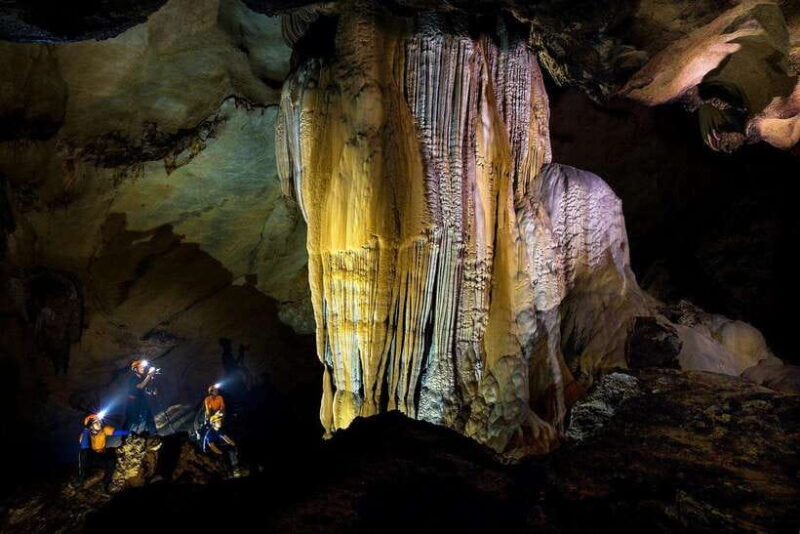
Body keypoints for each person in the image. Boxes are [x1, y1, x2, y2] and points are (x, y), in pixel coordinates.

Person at [78, 413, 129, 488]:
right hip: (90, 457)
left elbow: (116, 432)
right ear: (90, 425)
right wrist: (86, 428)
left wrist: (130, 432)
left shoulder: (104, 429)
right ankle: (83, 478)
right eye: (96, 422)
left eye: (99, 421)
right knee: (84, 453)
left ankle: (106, 483)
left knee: (111, 460)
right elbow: (84, 446)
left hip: (100, 455)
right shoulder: (85, 434)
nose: (99, 423)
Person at [202, 412, 240, 477]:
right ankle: (227, 470)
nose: (220, 422)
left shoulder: (219, 430)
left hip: (218, 445)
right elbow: (213, 447)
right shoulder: (210, 434)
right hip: (209, 450)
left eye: (219, 421)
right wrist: (221, 453)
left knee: (231, 450)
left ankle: (234, 467)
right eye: (218, 422)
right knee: (223, 457)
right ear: (213, 424)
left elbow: (226, 438)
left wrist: (233, 444)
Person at [125, 360, 158, 434]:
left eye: (143, 367)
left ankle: (154, 435)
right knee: (137, 422)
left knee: (149, 418)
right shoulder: (133, 379)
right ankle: (133, 438)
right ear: (135, 369)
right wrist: (149, 375)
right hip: (134, 404)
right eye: (141, 367)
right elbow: (140, 386)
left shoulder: (141, 378)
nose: (143, 368)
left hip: (142, 402)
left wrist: (151, 392)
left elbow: (144, 389)